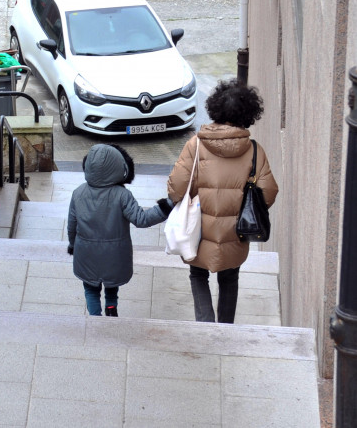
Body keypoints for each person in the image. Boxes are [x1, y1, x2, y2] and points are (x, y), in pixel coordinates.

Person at [168, 79, 279, 323]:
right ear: (249, 113)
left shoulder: (195, 146)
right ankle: (226, 326)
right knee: (230, 278)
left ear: (215, 109)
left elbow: (177, 189)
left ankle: (205, 322)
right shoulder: (255, 151)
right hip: (234, 232)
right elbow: (268, 192)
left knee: (198, 274)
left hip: (199, 230)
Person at [67, 144, 173, 317]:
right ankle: (111, 308)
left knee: (91, 290)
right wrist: (166, 207)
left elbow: (72, 224)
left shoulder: (78, 193)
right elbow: (142, 219)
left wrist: (73, 244)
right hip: (114, 254)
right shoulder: (122, 195)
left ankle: (95, 317)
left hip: (86, 253)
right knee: (111, 284)